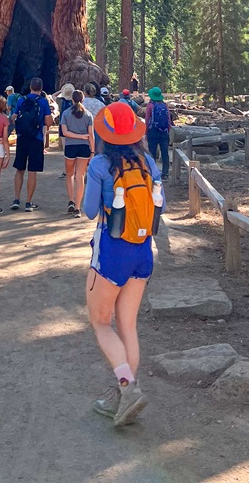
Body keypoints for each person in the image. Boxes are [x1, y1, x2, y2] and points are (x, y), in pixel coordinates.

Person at [83, 102, 164, 428]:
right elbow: (160, 206)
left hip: (112, 251)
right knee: (127, 325)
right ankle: (125, 396)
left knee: (102, 322)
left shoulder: (100, 164)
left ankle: (127, 389)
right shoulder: (148, 162)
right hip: (143, 249)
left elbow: (90, 210)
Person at [10, 76, 52, 211]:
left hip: (22, 137)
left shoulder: (22, 100)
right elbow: (48, 121)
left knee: (19, 169)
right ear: (41, 88)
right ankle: (29, 202)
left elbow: (13, 117)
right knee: (32, 171)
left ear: (30, 87)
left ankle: (16, 199)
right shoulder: (43, 102)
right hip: (36, 138)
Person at [61, 89, 94, 217]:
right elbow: (91, 135)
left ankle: (71, 200)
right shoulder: (88, 115)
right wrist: (92, 150)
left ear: (72, 99)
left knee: (69, 174)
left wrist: (77, 136)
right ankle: (78, 207)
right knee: (80, 176)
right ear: (83, 99)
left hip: (70, 146)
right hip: (84, 148)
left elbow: (65, 132)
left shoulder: (66, 114)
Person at [145, 86, 174, 180]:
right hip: (164, 132)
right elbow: (169, 120)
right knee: (165, 152)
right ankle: (165, 173)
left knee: (152, 152)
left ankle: (153, 172)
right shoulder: (165, 105)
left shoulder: (150, 105)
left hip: (153, 132)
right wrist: (167, 131)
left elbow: (147, 120)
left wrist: (146, 132)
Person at [56, 82, 75, 178]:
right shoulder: (75, 102)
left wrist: (61, 91)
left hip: (63, 127)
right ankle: (74, 170)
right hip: (73, 127)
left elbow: (52, 96)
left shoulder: (60, 101)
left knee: (66, 149)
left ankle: (66, 170)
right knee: (75, 148)